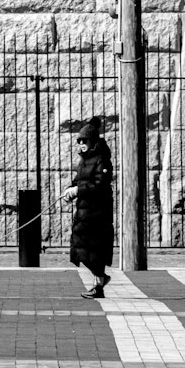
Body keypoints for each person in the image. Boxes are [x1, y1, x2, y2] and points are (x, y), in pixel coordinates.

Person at [65, 121, 114, 297]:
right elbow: (79, 180)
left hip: (98, 214)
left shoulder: (102, 158)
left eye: (84, 141)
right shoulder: (83, 161)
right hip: (84, 212)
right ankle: (100, 280)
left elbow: (101, 185)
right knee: (78, 249)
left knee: (94, 252)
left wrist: (78, 190)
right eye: (79, 141)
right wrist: (70, 191)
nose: (81, 144)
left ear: (92, 141)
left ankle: (99, 284)